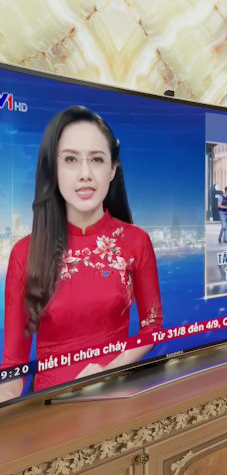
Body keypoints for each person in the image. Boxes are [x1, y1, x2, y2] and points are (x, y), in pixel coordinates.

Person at [3, 106, 161, 391]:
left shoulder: (136, 242)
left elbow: (152, 327)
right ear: (54, 169)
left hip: (117, 396)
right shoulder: (25, 253)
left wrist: (106, 372)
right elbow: (14, 364)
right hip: (52, 408)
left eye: (97, 160)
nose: (85, 174)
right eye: (71, 159)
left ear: (112, 169)